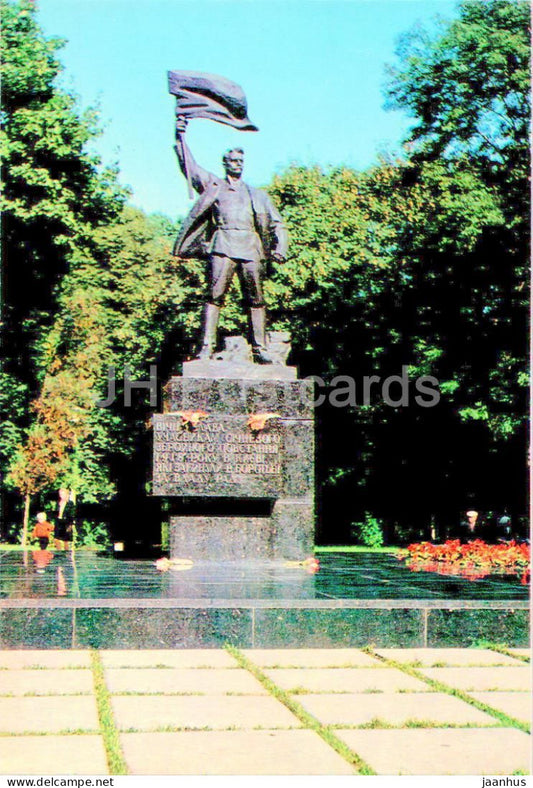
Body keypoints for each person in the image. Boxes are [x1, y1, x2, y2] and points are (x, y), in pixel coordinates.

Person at [172, 115, 288, 363]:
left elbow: (278, 224)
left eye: (241, 161)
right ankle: (206, 347)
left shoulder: (258, 195)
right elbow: (190, 167)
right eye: (233, 161)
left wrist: (281, 247)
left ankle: (260, 349)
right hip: (223, 246)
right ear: (225, 164)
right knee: (214, 297)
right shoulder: (214, 186)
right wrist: (180, 136)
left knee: (256, 300)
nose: (238, 164)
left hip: (251, 249)